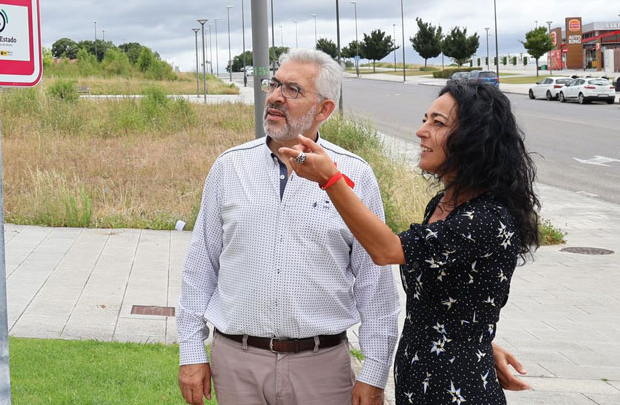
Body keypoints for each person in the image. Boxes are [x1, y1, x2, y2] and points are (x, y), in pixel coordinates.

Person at [279, 80, 540, 404]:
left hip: (457, 392)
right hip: (421, 382)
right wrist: (478, 340)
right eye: (425, 119)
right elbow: (450, 304)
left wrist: (330, 179)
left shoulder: (486, 219)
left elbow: (387, 249)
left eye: (438, 123)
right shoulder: (442, 204)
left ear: (474, 138)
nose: (421, 131)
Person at [176, 49, 401, 405]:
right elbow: (201, 266)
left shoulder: (354, 174)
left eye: (293, 90)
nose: (277, 97)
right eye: (275, 85)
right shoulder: (229, 167)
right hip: (237, 363)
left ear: (324, 109)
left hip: (321, 368)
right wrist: (190, 350)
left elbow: (376, 288)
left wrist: (374, 372)